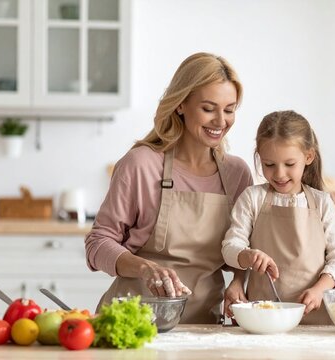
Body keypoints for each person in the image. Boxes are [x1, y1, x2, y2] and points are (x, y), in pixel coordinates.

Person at [85, 52, 253, 324]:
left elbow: (242, 246)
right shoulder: (140, 164)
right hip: (133, 320)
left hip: (203, 327)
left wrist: (239, 281)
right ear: (180, 105)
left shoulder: (237, 173)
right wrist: (144, 268)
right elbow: (97, 243)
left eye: (229, 109)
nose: (221, 121)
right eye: (208, 109)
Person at [221, 110, 335, 324]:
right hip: (262, 319)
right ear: (259, 158)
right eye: (269, 165)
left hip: (314, 317)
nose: (279, 174)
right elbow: (230, 246)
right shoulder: (252, 198)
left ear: (308, 156)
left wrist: (319, 289)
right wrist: (246, 255)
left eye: (289, 164)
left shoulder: (322, 202)